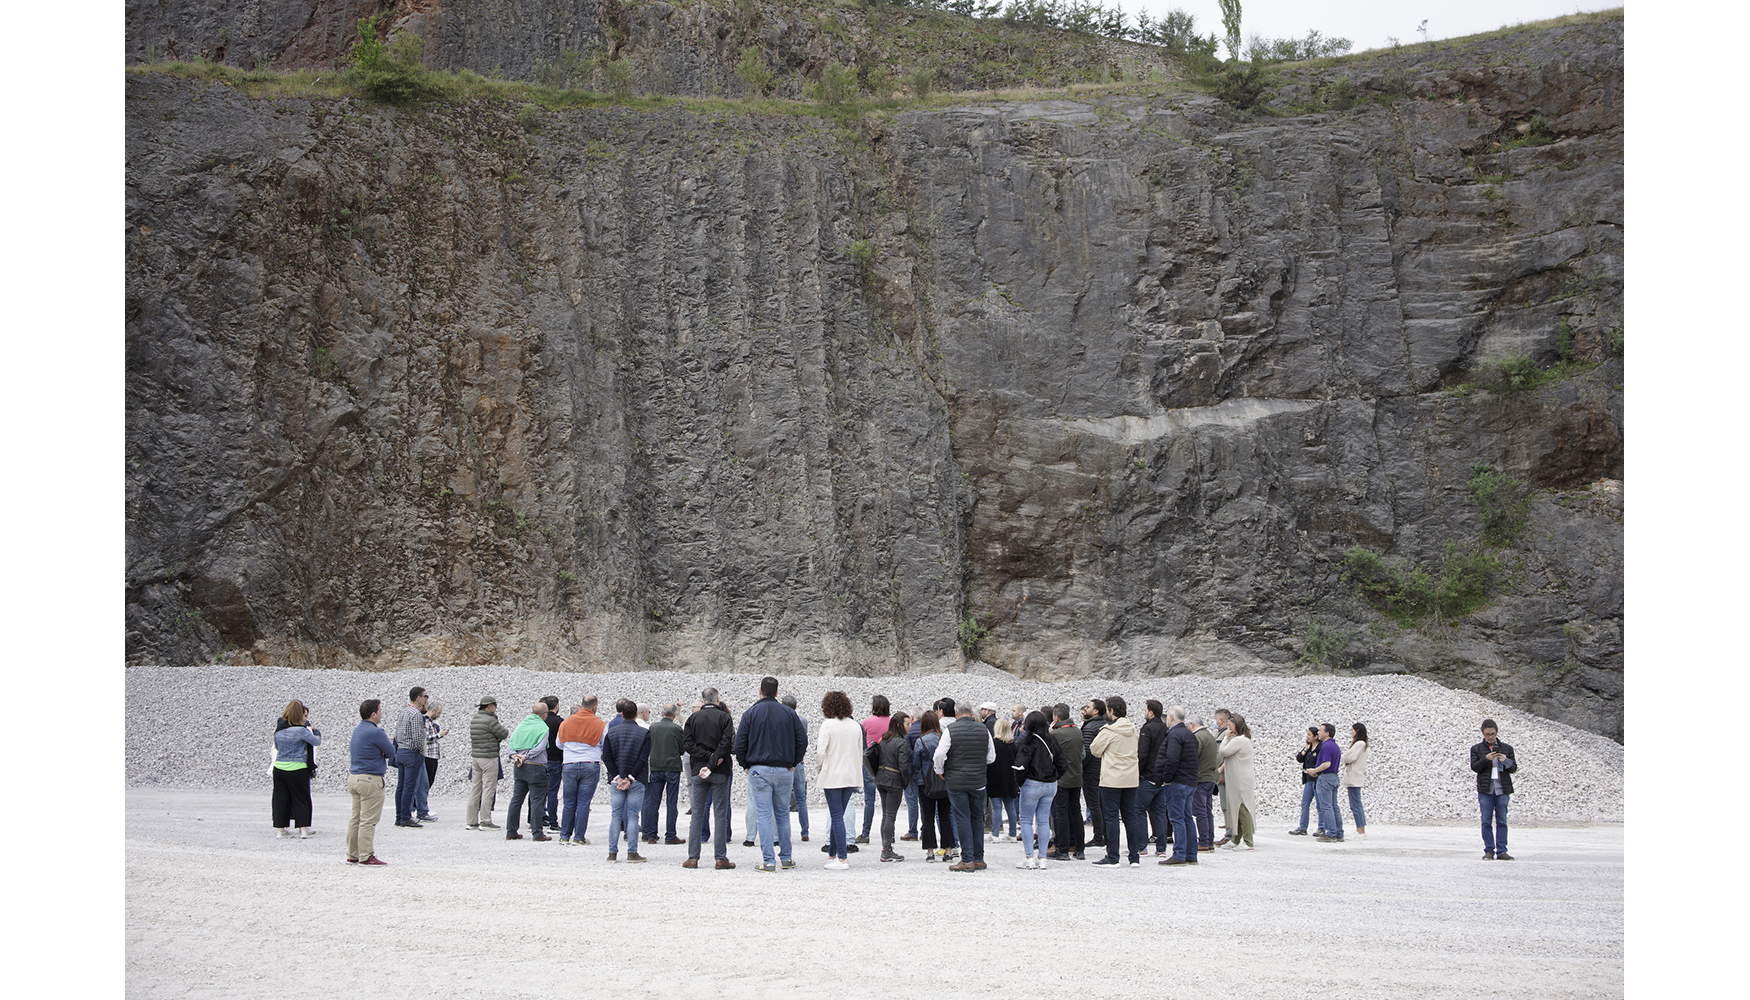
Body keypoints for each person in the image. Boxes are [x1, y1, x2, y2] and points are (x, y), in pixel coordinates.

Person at [733, 676, 808, 873]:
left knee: (764, 815)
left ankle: (768, 861)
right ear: (777, 692)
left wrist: (745, 765)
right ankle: (786, 858)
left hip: (759, 769)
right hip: (785, 769)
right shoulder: (789, 713)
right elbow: (802, 740)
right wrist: (793, 761)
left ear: (760, 691)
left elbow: (739, 743)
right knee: (782, 814)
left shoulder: (750, 713)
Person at [935, 703, 995, 872]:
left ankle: (967, 859)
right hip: (978, 781)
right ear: (971, 713)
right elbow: (991, 757)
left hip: (956, 781)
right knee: (977, 818)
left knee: (962, 818)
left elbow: (939, 754)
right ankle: (978, 858)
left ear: (956, 713)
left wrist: (940, 771)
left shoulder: (950, 730)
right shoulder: (984, 730)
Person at [682, 687, 736, 869]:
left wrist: (704, 756)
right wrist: (713, 760)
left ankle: (693, 857)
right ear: (717, 699)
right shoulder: (724, 718)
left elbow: (687, 744)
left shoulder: (692, 718)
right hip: (720, 769)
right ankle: (720, 858)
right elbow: (726, 742)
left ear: (703, 700)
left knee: (697, 813)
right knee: (720, 814)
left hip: (699, 769)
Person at [1089, 696, 1144, 866]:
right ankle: (1134, 856)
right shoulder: (1133, 729)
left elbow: (1094, 749)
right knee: (1130, 817)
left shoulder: (1109, 731)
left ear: (1111, 711)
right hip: (1131, 778)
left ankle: (1113, 856)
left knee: (1111, 818)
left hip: (1112, 779)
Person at [816, 691, 863, 870]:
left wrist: (819, 768)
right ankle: (832, 854)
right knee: (840, 816)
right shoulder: (855, 726)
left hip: (833, 774)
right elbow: (859, 752)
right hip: (850, 775)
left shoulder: (828, 725)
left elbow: (821, 752)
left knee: (836, 816)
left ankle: (842, 858)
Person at [347, 699, 397, 865]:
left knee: (356, 818)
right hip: (370, 778)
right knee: (368, 820)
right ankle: (366, 855)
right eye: (380, 711)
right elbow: (391, 752)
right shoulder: (376, 732)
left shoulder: (357, 730)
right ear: (373, 714)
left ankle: (352, 853)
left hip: (354, 777)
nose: (382, 714)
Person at [1012, 710, 1064, 868]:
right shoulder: (1053, 740)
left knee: (1027, 821)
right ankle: (1042, 858)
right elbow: (1063, 764)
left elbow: (1020, 765)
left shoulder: (1029, 741)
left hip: (1032, 783)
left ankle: (1029, 858)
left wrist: (1021, 783)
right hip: (1050, 784)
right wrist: (1054, 777)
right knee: (1043, 821)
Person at [601, 698, 651, 862]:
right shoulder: (644, 733)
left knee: (615, 816)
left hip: (617, 779)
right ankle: (631, 852)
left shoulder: (611, 732)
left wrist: (617, 776)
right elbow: (643, 758)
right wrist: (630, 778)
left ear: (622, 714)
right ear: (636, 715)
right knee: (633, 816)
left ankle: (612, 853)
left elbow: (607, 757)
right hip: (636, 779)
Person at [1154, 705, 1200, 866]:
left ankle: (1179, 854)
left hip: (1177, 782)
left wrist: (1166, 778)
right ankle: (1191, 854)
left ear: (1171, 718)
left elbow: (1171, 759)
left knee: (1177, 819)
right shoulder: (1189, 734)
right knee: (1188, 818)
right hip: (1190, 781)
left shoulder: (1174, 735)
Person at [556, 696, 606, 845]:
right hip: (590, 763)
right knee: (583, 803)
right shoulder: (600, 724)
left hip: (570, 763)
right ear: (595, 707)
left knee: (569, 802)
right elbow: (605, 744)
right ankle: (579, 837)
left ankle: (564, 835)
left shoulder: (566, 722)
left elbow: (559, 744)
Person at [273, 700, 321, 838]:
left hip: (279, 767)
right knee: (301, 798)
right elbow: (316, 741)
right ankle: (303, 828)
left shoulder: (279, 731)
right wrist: (316, 731)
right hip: (297, 767)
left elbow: (277, 747)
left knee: (280, 798)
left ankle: (280, 829)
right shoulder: (301, 731)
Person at [504, 702, 552, 842]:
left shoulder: (521, 725)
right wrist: (528, 755)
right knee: (537, 800)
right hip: (536, 766)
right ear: (544, 714)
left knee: (516, 799)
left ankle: (511, 831)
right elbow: (541, 747)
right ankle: (537, 833)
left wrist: (514, 756)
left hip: (519, 767)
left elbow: (511, 744)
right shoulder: (543, 727)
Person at [1471, 719, 1517, 860]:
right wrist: (1486, 759)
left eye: (1492, 734)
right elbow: (1474, 767)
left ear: (1497, 732)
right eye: (1487, 734)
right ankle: (1489, 850)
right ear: (1483, 733)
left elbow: (1514, 768)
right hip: (1486, 790)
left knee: (1502, 821)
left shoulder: (1507, 748)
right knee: (1486, 821)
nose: (1490, 737)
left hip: (1502, 790)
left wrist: (1506, 760)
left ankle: (1502, 850)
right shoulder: (1476, 749)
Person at [913, 711, 956, 862]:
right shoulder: (943, 738)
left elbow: (915, 764)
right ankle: (948, 850)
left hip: (924, 783)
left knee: (927, 816)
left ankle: (930, 851)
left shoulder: (920, 741)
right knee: (945, 817)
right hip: (944, 781)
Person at [642, 703, 685, 845]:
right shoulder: (676, 728)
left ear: (661, 713)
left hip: (655, 767)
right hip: (672, 768)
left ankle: (651, 834)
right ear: (674, 715)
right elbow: (682, 749)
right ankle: (670, 834)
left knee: (654, 802)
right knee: (671, 803)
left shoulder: (652, 727)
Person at [1047, 705, 1085, 861]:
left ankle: (1062, 850)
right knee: (1076, 812)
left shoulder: (1056, 734)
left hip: (1062, 778)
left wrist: (1049, 733)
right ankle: (1079, 849)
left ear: (1056, 718)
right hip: (1076, 776)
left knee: (1061, 813)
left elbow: (1050, 756)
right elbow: (1083, 754)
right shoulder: (1078, 731)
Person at [1216, 713, 1258, 850]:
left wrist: (1226, 738)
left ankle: (1248, 841)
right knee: (1236, 807)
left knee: (1242, 808)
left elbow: (1223, 752)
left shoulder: (1239, 740)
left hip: (1240, 779)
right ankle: (1236, 839)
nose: (1228, 729)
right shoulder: (1242, 739)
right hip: (1238, 778)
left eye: (1230, 726)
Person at [1135, 699, 1172, 856]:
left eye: (1145, 710)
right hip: (1162, 778)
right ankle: (1161, 848)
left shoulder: (1147, 729)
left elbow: (1142, 754)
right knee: (1160, 813)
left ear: (1150, 712)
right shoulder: (1166, 729)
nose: (1144, 713)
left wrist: (1137, 773)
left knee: (1139, 810)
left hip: (1148, 776)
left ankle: (1141, 846)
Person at [466, 695, 508, 830]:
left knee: (475, 788)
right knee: (488, 788)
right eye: (495, 705)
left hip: (476, 757)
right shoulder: (490, 720)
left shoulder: (475, 719)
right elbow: (504, 733)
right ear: (489, 706)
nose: (496, 708)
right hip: (489, 757)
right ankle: (485, 820)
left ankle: (471, 821)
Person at [874, 713, 912, 862]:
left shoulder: (884, 738)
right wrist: (905, 781)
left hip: (881, 778)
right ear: (899, 725)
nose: (909, 726)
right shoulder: (901, 742)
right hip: (893, 780)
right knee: (890, 816)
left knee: (885, 815)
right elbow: (903, 765)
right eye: (907, 724)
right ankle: (887, 850)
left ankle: (885, 846)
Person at [392, 687, 431, 827]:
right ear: (418, 698)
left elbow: (396, 734)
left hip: (401, 751)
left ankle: (399, 816)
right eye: (424, 696)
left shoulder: (403, 712)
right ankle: (405, 817)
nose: (426, 699)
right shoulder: (416, 714)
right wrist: (421, 752)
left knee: (401, 786)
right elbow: (417, 737)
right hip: (411, 753)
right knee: (410, 787)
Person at [857, 695, 892, 846]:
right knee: (888, 801)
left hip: (870, 764)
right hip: (888, 764)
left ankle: (865, 833)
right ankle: (890, 833)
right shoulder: (892, 722)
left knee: (869, 800)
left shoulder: (867, 722)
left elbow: (862, 743)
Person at [1307, 723, 1345, 843]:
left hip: (1325, 778)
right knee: (1334, 806)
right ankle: (1339, 833)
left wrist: (1315, 770)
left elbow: (1326, 763)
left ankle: (1331, 833)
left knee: (1326, 806)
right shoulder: (1335, 746)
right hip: (1334, 777)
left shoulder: (1325, 746)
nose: (1318, 733)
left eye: (1320, 730)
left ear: (1327, 733)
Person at [1080, 700, 1109, 848]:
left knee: (1093, 804)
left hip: (1091, 771)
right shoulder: (1106, 725)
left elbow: (1087, 750)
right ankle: (1106, 834)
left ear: (1096, 711)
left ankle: (1099, 836)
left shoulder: (1089, 727)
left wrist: (1081, 767)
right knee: (1103, 803)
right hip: (1104, 769)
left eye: (1089, 707)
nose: (1086, 709)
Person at [987, 717, 1020, 843]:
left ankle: (995, 834)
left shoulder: (994, 744)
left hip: (995, 779)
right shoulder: (1013, 746)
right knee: (1010, 808)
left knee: (996, 807)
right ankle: (1012, 834)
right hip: (1010, 780)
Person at [1189, 715, 1219, 853]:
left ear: (1192, 724)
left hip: (1200, 778)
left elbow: (1193, 756)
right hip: (1210, 778)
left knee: (1200, 811)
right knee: (1207, 811)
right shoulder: (1210, 736)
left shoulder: (1197, 737)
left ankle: (1203, 841)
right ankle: (1209, 840)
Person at [784, 693, 811, 844]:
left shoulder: (780, 721)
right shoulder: (803, 721)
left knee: (783, 801)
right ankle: (805, 831)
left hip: (785, 764)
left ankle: (784, 832)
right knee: (801, 799)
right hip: (799, 762)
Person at [1289, 726, 1321, 835]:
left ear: (1316, 736)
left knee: (1320, 804)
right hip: (1308, 779)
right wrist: (1305, 749)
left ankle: (1321, 827)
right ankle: (1303, 827)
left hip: (1317, 779)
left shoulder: (1320, 748)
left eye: (1309, 735)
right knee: (1305, 803)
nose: (1307, 737)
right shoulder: (1309, 748)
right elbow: (1299, 758)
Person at [1342, 722, 1370, 838]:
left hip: (1354, 777)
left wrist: (1345, 756)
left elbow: (1349, 757)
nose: (1351, 732)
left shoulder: (1359, 744)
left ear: (1357, 731)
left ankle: (1360, 830)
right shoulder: (1362, 744)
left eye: (1352, 730)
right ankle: (1361, 829)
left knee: (1355, 805)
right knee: (1356, 804)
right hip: (1355, 777)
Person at [541, 695, 563, 830]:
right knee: (553, 791)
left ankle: (539, 818)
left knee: (539, 791)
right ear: (556, 706)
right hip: (555, 758)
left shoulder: (540, 721)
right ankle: (553, 821)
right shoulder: (560, 721)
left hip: (541, 758)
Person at [422, 702, 449, 804]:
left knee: (430, 781)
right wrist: (439, 734)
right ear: (432, 710)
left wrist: (440, 735)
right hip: (428, 755)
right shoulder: (424, 721)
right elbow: (426, 738)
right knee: (426, 782)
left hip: (433, 756)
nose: (439, 716)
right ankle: (419, 804)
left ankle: (422, 802)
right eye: (438, 713)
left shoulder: (431, 723)